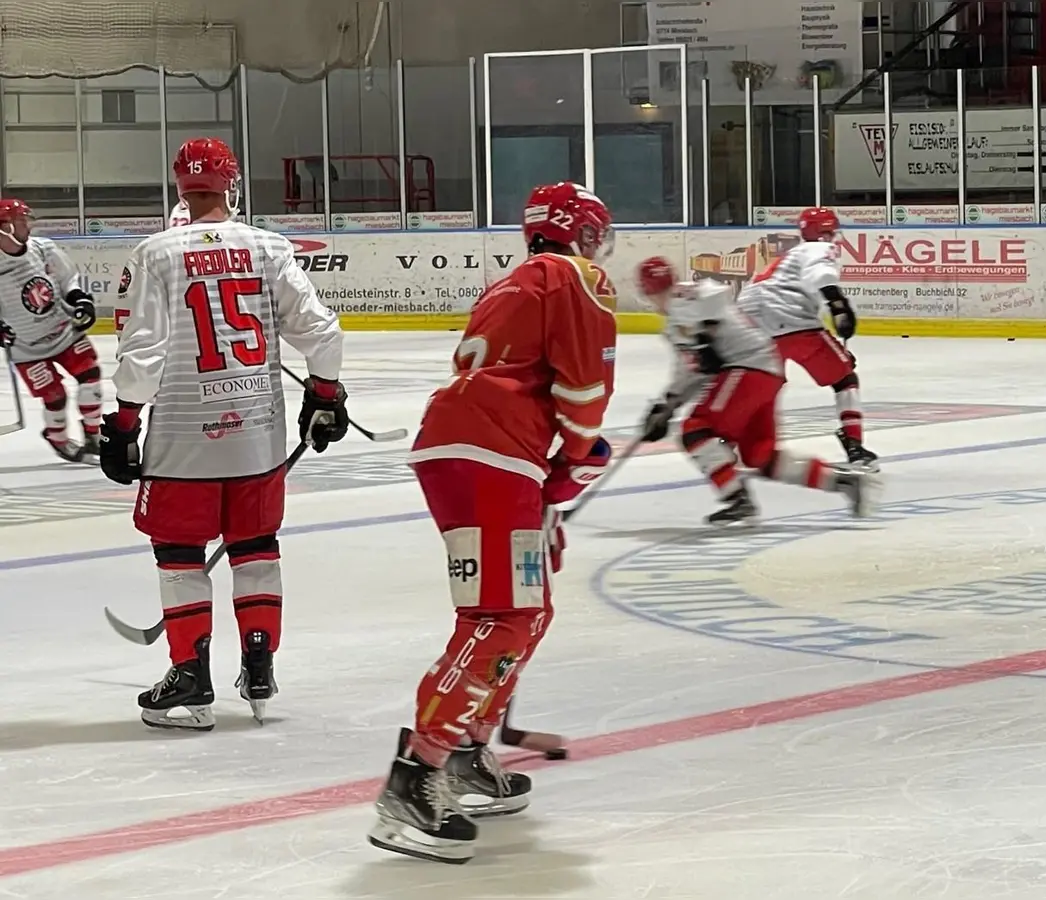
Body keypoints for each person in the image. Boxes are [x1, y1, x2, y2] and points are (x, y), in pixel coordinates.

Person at [370, 182, 619, 865]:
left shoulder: (516, 282)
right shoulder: (576, 275)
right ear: (585, 232)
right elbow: (583, 393)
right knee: (502, 617)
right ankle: (416, 775)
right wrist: (577, 459)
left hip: (476, 451)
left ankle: (467, 753)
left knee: (525, 612)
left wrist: (555, 473)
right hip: (492, 456)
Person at [100, 137, 349, 731]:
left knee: (179, 553)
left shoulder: (156, 254)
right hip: (257, 438)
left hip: (184, 440)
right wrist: (324, 394)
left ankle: (191, 678)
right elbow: (322, 332)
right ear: (231, 182)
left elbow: (143, 353)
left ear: (179, 186)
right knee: (255, 546)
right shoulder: (269, 247)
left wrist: (125, 422)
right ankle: (259, 668)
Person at [638, 256, 880, 526]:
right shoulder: (677, 322)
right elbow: (692, 370)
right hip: (765, 371)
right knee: (760, 455)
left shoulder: (689, 297)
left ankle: (736, 498)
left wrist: (705, 331)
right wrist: (666, 405)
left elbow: (717, 296)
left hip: (747, 368)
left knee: (694, 429)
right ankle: (844, 482)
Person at [737, 206, 877, 471]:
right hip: (791, 320)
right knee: (845, 378)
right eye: (831, 229)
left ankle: (732, 440)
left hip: (749, 324)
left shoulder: (787, 257)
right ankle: (855, 447)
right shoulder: (818, 248)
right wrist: (839, 305)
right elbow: (820, 275)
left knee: (761, 384)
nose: (834, 234)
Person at [0, 198, 104, 462]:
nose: (28, 226)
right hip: (28, 347)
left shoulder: (43, 249)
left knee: (90, 377)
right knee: (55, 397)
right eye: (21, 221)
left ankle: (93, 435)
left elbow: (67, 278)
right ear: (4, 227)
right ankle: (57, 436)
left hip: (65, 332)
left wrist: (80, 299)